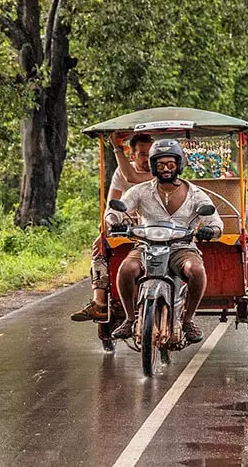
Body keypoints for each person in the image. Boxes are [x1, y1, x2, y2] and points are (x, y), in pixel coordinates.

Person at [107, 139, 223, 343]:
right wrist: (114, 221)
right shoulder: (140, 191)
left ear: (179, 165)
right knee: (126, 269)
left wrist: (210, 230)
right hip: (145, 246)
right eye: (160, 165)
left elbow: (215, 222)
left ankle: (188, 320)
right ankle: (129, 319)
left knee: (196, 270)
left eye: (171, 164)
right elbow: (116, 209)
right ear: (153, 166)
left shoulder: (195, 194)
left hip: (182, 248)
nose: (166, 169)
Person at [70, 132, 153, 322]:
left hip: (156, 228)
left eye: (150, 154)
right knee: (100, 247)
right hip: (130, 227)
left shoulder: (160, 171)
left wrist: (116, 148)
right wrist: (108, 228)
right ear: (132, 155)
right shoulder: (122, 172)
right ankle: (99, 302)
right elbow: (112, 204)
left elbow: (131, 177)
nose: (147, 159)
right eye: (142, 154)